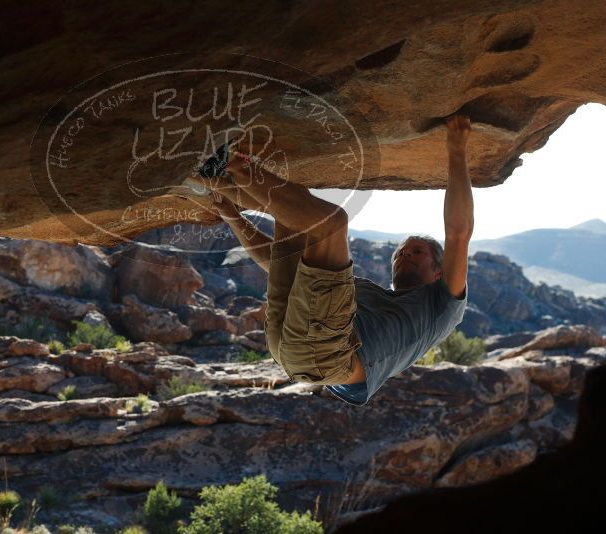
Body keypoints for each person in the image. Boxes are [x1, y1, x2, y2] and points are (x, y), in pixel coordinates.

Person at [192, 115, 472, 405]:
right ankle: (211, 180)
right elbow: (277, 262)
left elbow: (458, 233)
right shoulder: (361, 295)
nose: (404, 254)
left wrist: (457, 150)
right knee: (296, 211)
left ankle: (231, 162)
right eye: (401, 251)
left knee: (332, 225)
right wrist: (232, 216)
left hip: (327, 358)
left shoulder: (442, 306)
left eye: (417, 252)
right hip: (292, 341)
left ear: (439, 272)